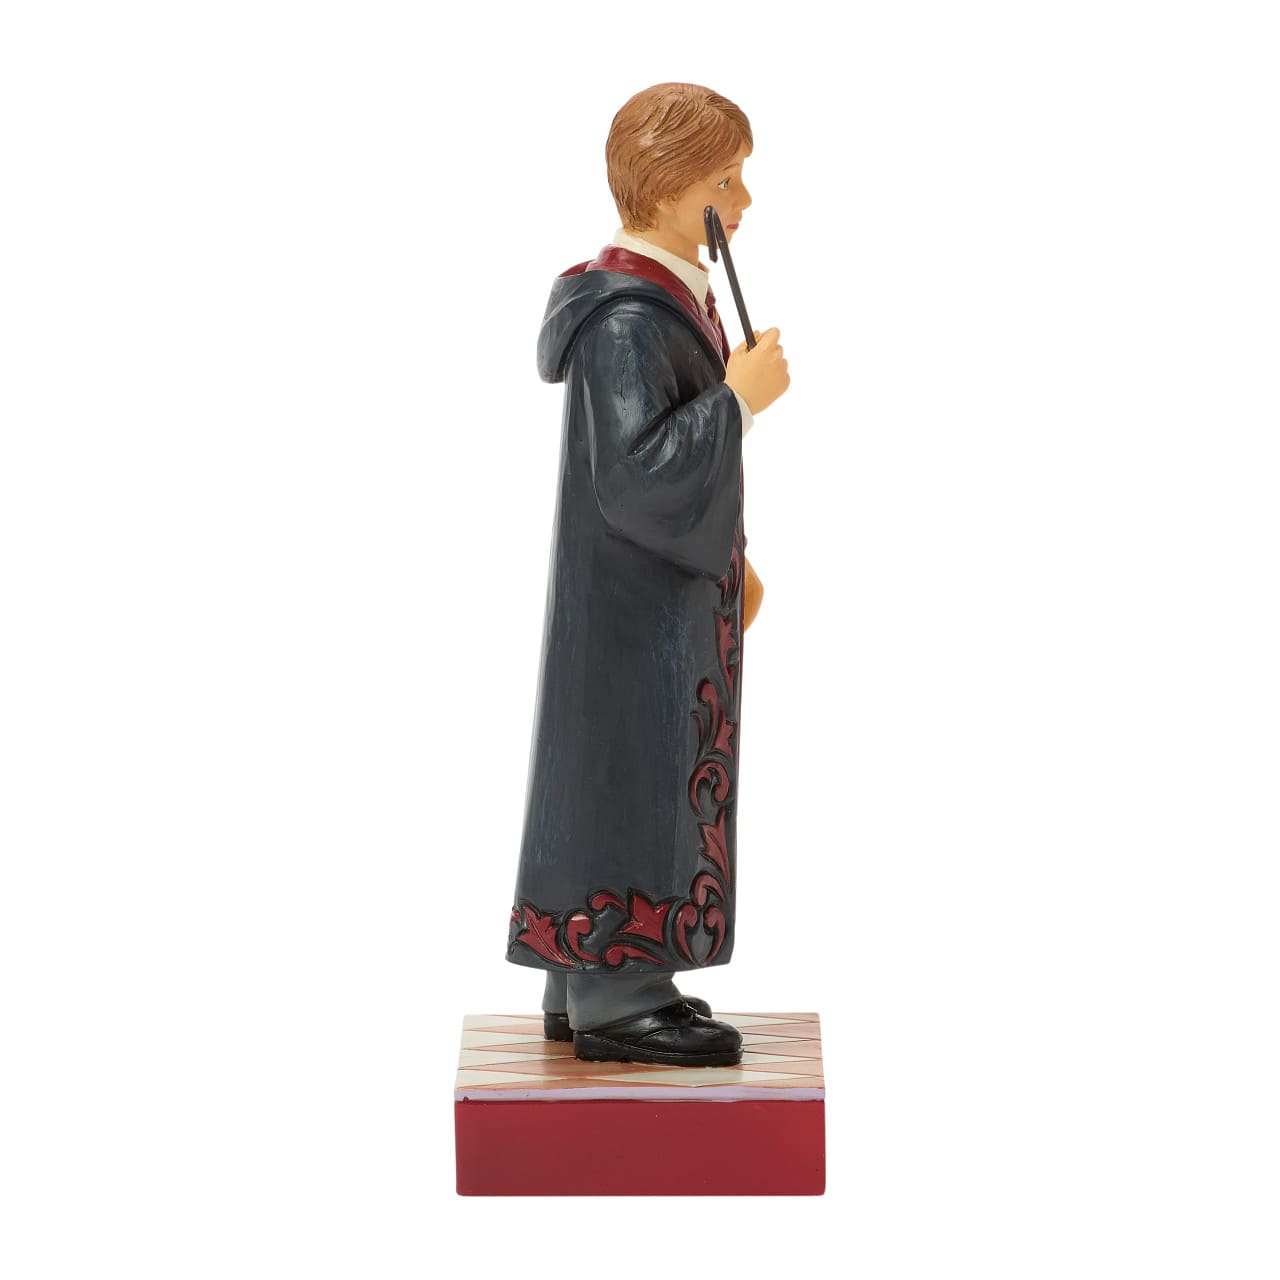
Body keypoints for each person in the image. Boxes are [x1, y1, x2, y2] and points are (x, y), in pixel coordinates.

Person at [506, 83, 790, 1067]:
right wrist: (738, 402)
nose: (742, 202)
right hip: (636, 619)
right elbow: (637, 479)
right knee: (632, 771)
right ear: (668, 186)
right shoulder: (627, 319)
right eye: (725, 180)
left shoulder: (666, 299)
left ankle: (582, 974)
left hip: (646, 596)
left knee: (620, 768)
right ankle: (619, 989)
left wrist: (730, 565)